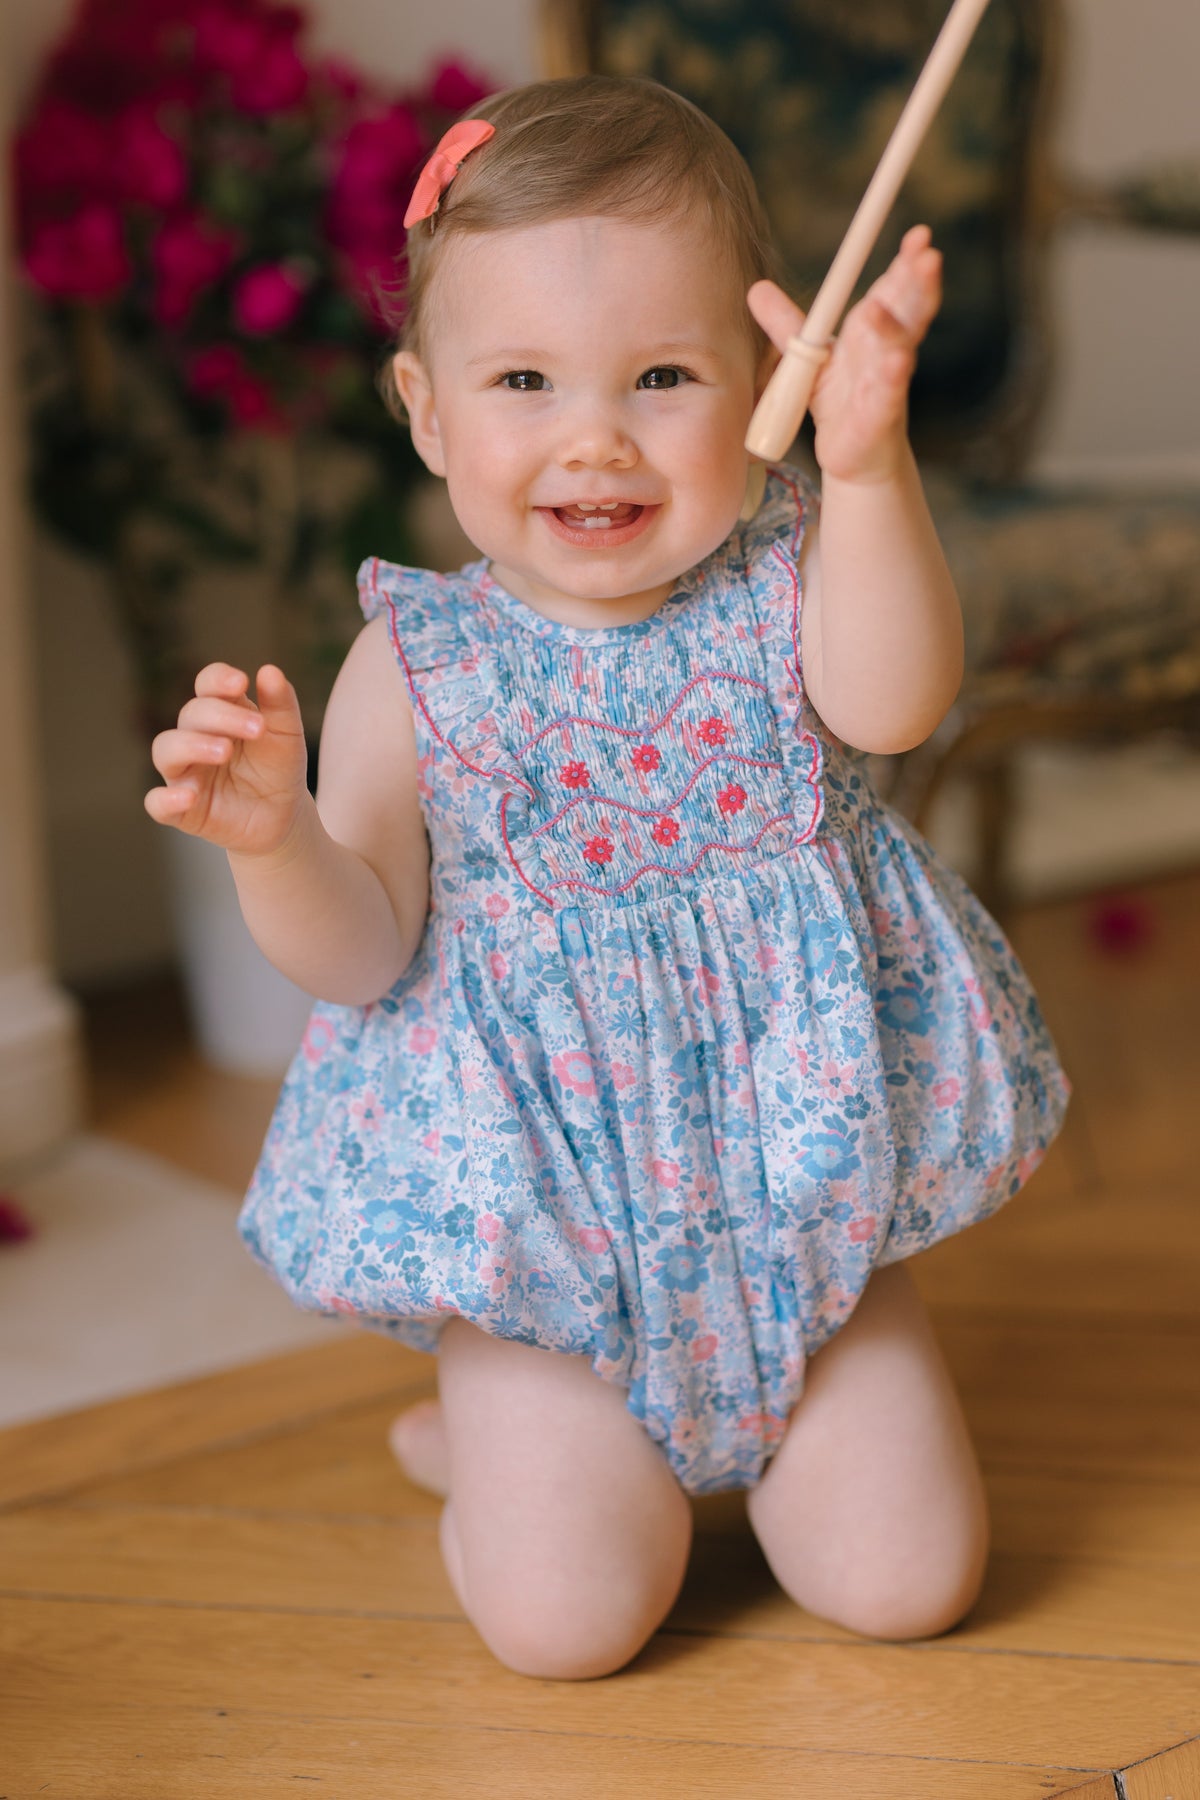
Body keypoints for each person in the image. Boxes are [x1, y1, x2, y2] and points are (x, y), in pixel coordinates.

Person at [145, 74, 1071, 1681]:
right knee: (566, 1628)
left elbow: (895, 698)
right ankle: (487, 1438)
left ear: (761, 387)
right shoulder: (416, 665)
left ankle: (769, 1446)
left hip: (805, 1224)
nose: (595, 436)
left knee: (910, 1582)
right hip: (549, 1263)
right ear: (428, 412)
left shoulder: (792, 564)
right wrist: (277, 838)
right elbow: (362, 955)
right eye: (522, 379)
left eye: (662, 375)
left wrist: (868, 474)